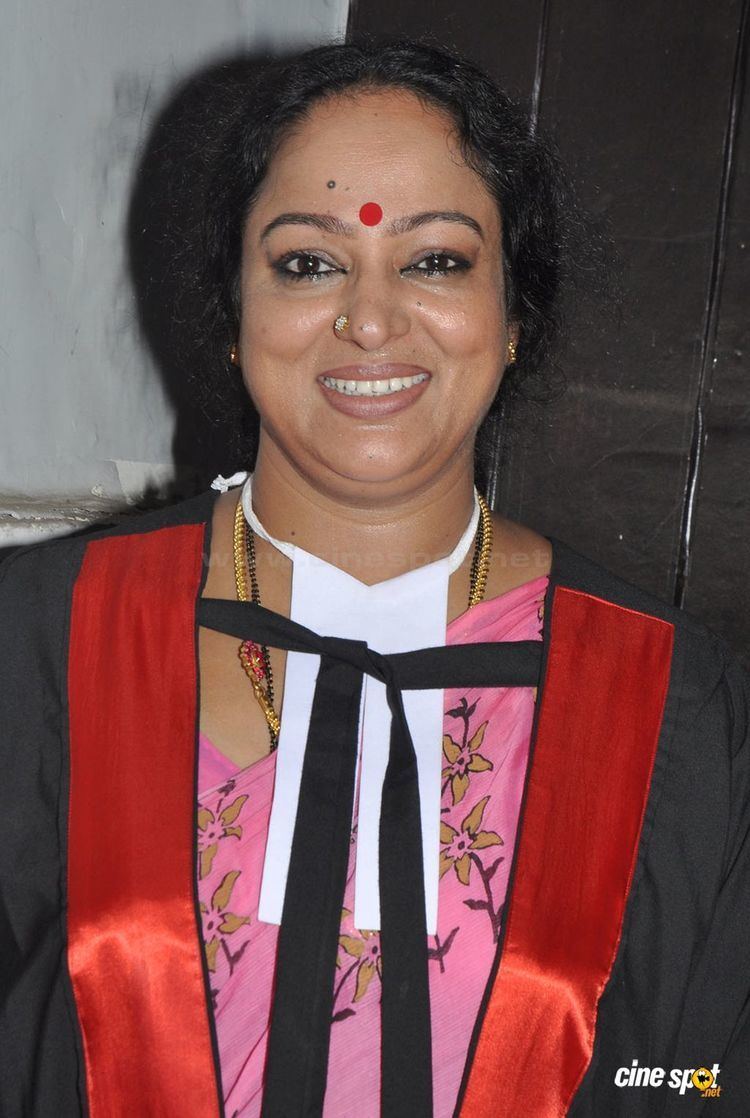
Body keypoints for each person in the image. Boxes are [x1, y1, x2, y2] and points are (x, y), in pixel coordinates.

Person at [0, 37, 748, 1118]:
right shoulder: (41, 646)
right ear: (235, 310)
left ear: (513, 317)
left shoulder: (678, 706)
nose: (370, 317)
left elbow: (703, 1076)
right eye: (308, 263)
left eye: (436, 260)